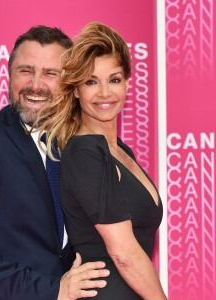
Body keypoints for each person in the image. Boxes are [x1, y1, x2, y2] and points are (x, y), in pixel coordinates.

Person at [0, 25, 110, 300]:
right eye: (26, 71)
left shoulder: (74, 144)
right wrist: (52, 290)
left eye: (50, 74)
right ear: (9, 75)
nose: (36, 85)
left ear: (68, 83)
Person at [36, 22, 168, 299]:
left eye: (114, 79)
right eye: (91, 82)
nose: (105, 93)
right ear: (75, 90)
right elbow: (124, 254)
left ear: (128, 83)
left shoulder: (118, 150)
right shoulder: (85, 153)